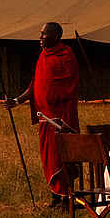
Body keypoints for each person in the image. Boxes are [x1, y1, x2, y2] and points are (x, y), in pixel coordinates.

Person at [6, 22, 80, 205]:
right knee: (48, 157)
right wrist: (17, 101)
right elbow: (36, 84)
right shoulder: (43, 56)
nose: (40, 38)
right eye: (40, 34)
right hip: (44, 117)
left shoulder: (66, 57)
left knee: (61, 156)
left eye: (44, 35)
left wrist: (52, 100)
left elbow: (68, 86)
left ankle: (66, 197)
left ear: (56, 37)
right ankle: (55, 195)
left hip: (60, 118)